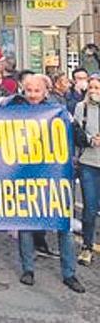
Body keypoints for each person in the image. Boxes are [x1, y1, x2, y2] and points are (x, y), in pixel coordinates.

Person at [12, 74, 84, 293]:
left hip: (55, 177)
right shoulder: (12, 109)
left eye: (37, 90)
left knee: (63, 225)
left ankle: (69, 274)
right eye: (29, 90)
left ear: (46, 92)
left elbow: (79, 138)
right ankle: (28, 269)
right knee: (27, 224)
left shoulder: (57, 110)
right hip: (26, 175)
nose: (32, 95)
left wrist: (71, 121)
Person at [74, 75, 100, 267]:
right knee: (89, 208)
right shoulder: (81, 108)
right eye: (91, 88)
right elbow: (76, 133)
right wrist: (90, 139)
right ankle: (87, 246)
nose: (93, 91)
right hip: (88, 163)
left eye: (97, 88)